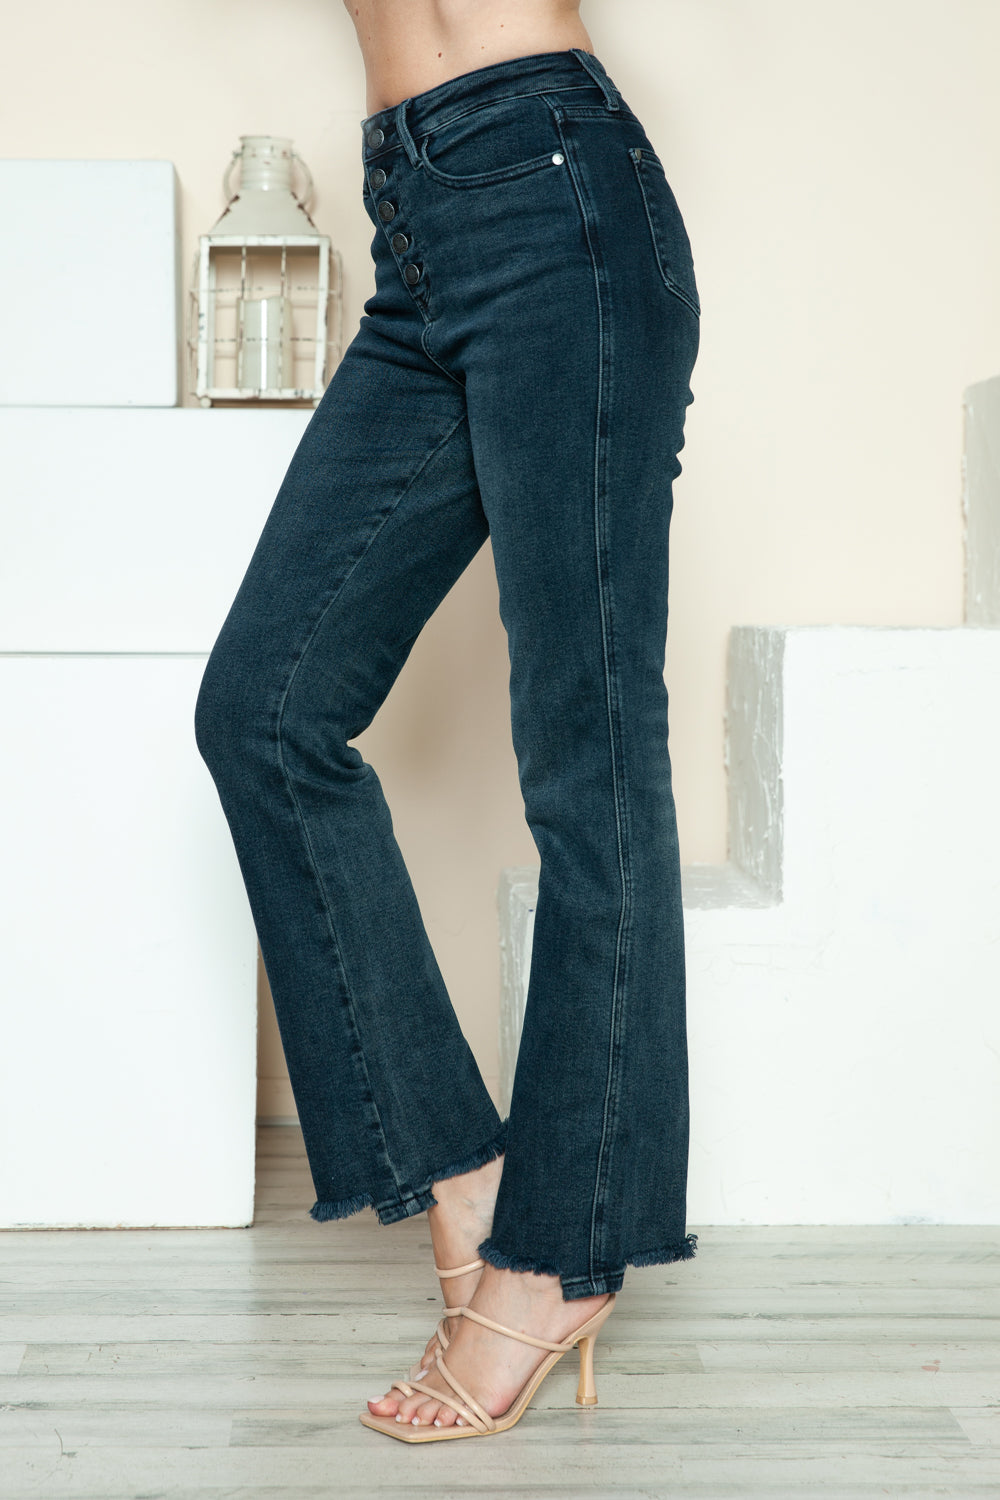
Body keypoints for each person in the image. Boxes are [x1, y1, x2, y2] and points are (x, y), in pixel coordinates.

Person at [194, 0, 700, 1444]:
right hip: (417, 219)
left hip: (551, 187)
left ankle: (557, 1257)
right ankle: (470, 1182)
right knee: (266, 711)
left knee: (587, 764)